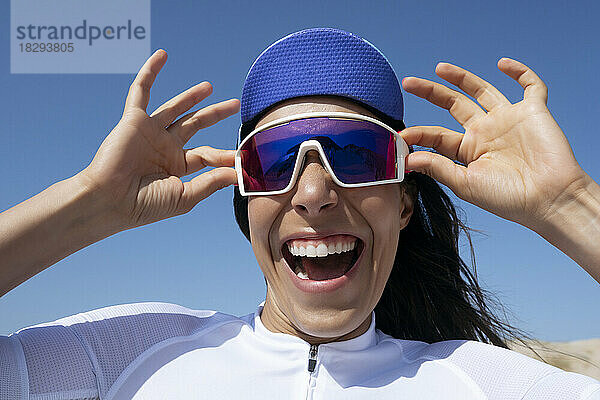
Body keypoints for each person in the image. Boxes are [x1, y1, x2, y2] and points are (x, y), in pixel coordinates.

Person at [0, 27, 599, 399]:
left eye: (356, 154)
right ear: (245, 198)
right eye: (274, 160)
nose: (313, 193)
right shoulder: (127, 358)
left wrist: (565, 204)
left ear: (406, 201)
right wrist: (89, 203)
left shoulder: (490, 386)